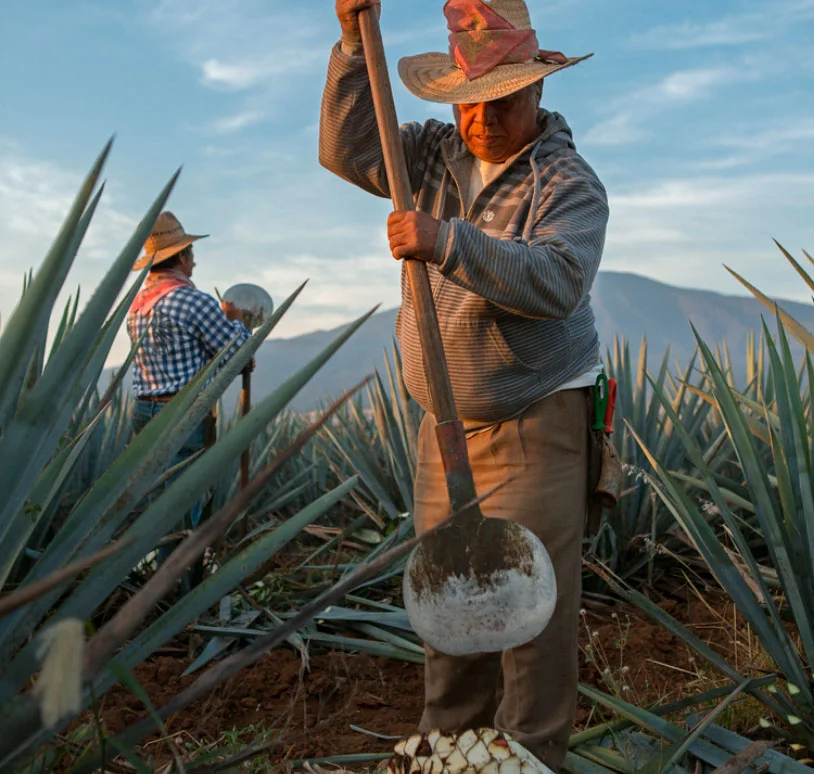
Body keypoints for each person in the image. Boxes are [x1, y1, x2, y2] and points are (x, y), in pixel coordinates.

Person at [319, 0, 609, 769]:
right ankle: (451, 752)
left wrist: (445, 240)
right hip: (442, 426)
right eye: (470, 103)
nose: (482, 120)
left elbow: (558, 280)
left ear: (538, 89)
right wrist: (352, 45)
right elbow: (348, 150)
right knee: (452, 599)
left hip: (535, 417)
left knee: (531, 610)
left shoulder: (568, 183)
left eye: (502, 101)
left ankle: (532, 757)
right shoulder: (430, 153)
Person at [127, 211, 251, 580]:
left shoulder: (137, 304)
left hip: (144, 411)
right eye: (191, 253)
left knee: (158, 500)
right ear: (181, 257)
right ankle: (178, 586)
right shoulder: (193, 301)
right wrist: (235, 320)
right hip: (182, 415)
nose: (193, 260)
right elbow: (236, 352)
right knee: (184, 501)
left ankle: (160, 576)